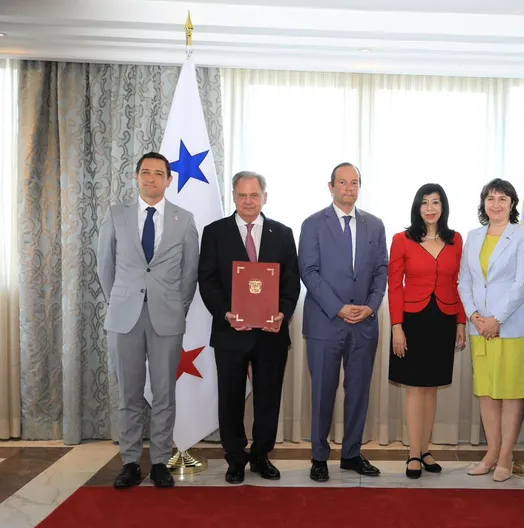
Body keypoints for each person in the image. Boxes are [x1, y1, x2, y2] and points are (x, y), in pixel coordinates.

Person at [96, 151, 199, 489]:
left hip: (166, 317)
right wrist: (121, 299)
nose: (151, 178)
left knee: (164, 393)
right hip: (124, 317)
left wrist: (176, 306)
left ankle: (159, 461)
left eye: (158, 173)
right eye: (145, 172)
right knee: (128, 393)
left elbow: (190, 274)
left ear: (169, 180)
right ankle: (129, 462)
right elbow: (105, 266)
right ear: (136, 177)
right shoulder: (116, 215)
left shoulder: (184, 219)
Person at [197, 171, 300, 484]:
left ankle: (261, 456)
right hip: (230, 332)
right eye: (242, 195)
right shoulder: (215, 232)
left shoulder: (283, 233)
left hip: (271, 333)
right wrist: (225, 313)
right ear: (233, 197)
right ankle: (235, 458)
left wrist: (283, 313)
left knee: (268, 397)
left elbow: (291, 282)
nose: (248, 201)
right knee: (230, 398)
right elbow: (207, 280)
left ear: (264, 197)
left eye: (254, 195)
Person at [299, 162, 388, 482]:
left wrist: (371, 306)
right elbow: (308, 271)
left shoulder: (374, 225)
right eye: (342, 182)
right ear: (331, 186)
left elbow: (382, 270)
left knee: (359, 391)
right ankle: (319, 457)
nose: (349, 188)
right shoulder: (313, 224)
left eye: (354, 183)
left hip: (364, 323)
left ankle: (351, 453)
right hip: (325, 322)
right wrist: (338, 308)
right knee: (322, 392)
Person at [458, 178, 524, 482]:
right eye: (490, 198)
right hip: (479, 327)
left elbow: (522, 283)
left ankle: (506, 457)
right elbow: (464, 281)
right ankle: (491, 453)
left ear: (512, 203)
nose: (496, 204)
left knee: (511, 393)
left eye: (503, 198)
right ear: (483, 203)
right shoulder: (473, 236)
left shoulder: (523, 236)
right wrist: (475, 316)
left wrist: (497, 319)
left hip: (512, 327)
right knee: (487, 392)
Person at [389, 183, 466, 478]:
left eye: (435, 202)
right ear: (417, 207)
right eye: (424, 203)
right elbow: (394, 286)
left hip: (444, 319)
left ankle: (425, 449)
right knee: (414, 387)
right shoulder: (402, 240)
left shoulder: (455, 240)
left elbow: (460, 283)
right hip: (412, 320)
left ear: (443, 207)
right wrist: (397, 327)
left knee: (432, 386)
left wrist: (461, 322)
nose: (430, 208)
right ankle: (412, 453)